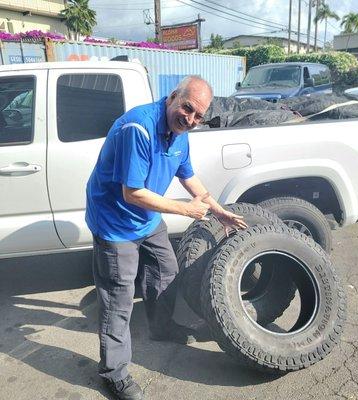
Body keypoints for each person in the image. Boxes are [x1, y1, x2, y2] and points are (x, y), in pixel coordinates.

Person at [85, 76, 247, 400]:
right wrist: (185, 211)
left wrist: (219, 211)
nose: (190, 119)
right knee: (118, 298)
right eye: (187, 108)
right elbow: (131, 193)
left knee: (166, 268)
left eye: (198, 116)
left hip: (148, 217)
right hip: (116, 223)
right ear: (173, 96)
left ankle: (161, 327)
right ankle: (113, 374)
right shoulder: (139, 128)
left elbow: (189, 177)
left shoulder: (179, 134)